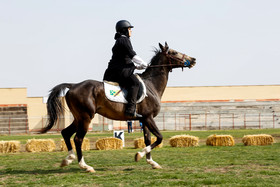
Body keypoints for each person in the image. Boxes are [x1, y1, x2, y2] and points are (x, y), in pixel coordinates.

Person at [103, 20, 147, 118]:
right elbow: (132, 54)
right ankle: (130, 110)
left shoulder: (120, 40)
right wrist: (143, 63)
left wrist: (136, 67)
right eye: (129, 29)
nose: (131, 31)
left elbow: (124, 59)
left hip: (116, 70)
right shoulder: (123, 39)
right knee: (135, 83)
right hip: (120, 71)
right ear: (124, 30)